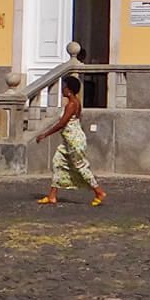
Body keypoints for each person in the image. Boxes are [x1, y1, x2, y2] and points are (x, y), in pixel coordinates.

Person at [34, 74, 106, 206]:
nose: (62, 89)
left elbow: (62, 123)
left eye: (64, 87)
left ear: (69, 89)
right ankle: (52, 195)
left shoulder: (72, 104)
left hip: (74, 140)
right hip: (68, 140)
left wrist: (45, 134)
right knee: (58, 162)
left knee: (80, 166)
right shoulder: (74, 102)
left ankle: (99, 191)